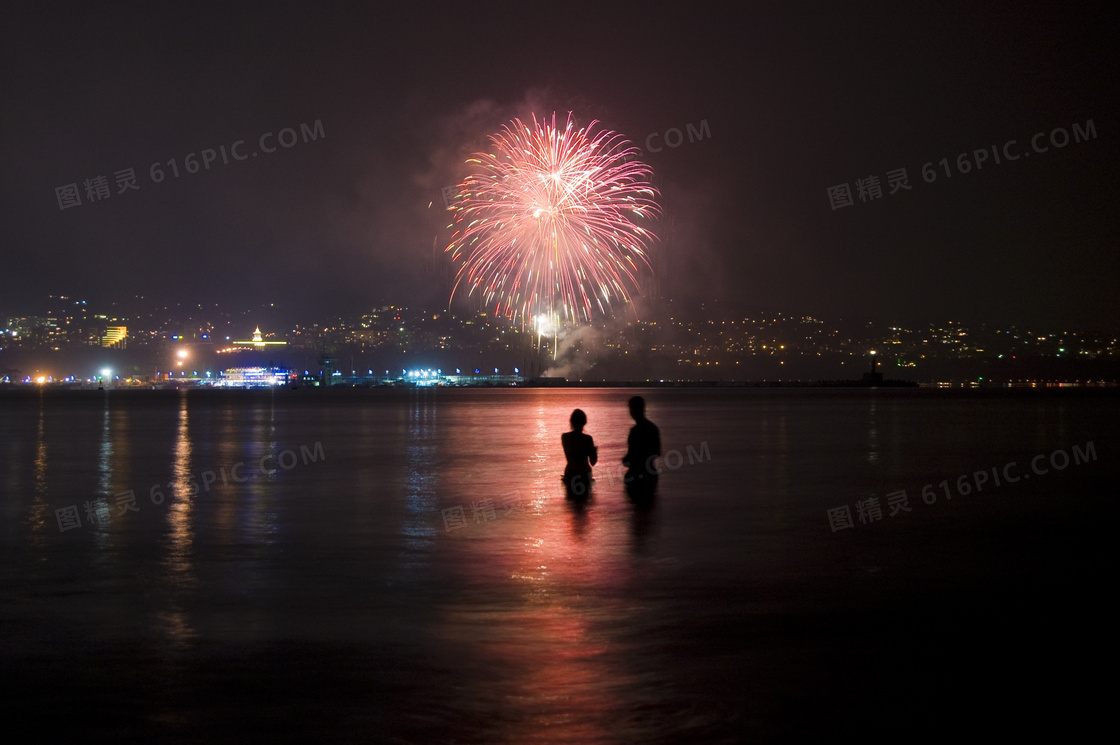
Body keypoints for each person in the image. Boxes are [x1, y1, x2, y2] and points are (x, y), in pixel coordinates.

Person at [622, 395, 661, 495]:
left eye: (631, 408)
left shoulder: (635, 431)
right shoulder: (653, 428)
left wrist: (626, 460)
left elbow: (630, 456)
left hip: (636, 475)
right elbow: (657, 452)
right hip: (650, 474)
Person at [561, 409, 597, 497]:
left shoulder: (565, 437)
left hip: (570, 473)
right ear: (584, 422)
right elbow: (593, 462)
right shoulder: (588, 439)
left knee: (571, 501)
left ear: (571, 421)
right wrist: (595, 451)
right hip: (584, 474)